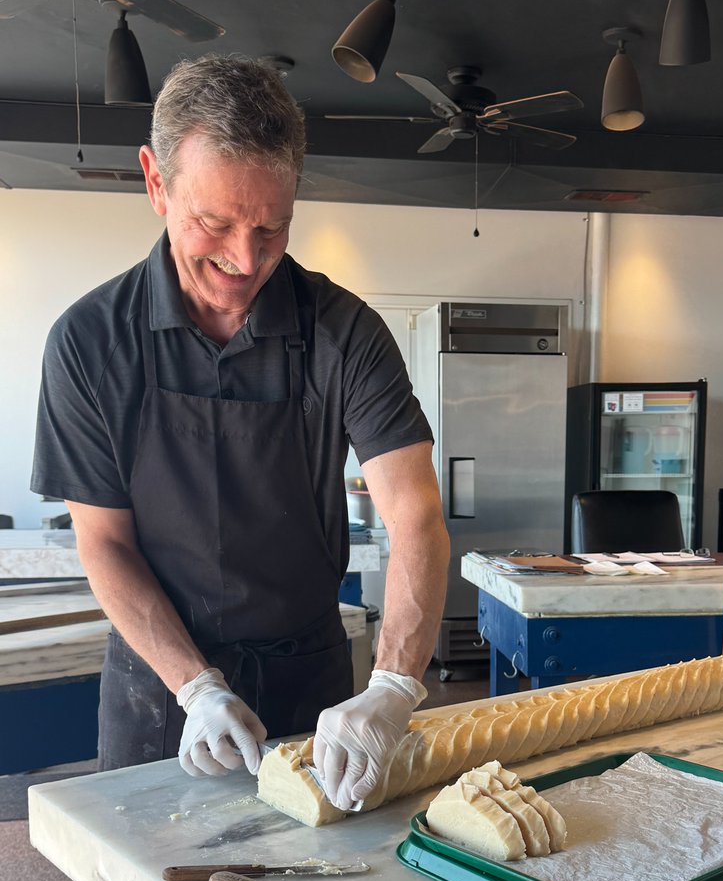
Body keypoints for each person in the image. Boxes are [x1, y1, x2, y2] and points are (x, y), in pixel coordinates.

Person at [31, 54, 449, 813]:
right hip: (164, 690)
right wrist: (195, 689)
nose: (244, 259)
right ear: (157, 183)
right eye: (214, 224)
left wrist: (393, 685)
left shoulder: (345, 332)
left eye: (271, 228)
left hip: (310, 680)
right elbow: (105, 544)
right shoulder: (89, 341)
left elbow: (415, 514)